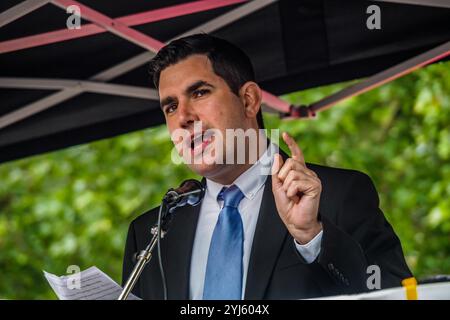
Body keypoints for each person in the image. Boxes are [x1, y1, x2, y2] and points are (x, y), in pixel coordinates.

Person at [122, 34, 412, 300]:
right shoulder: (150, 231)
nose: (183, 116)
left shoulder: (338, 194)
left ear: (249, 100)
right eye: (170, 107)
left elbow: (398, 296)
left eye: (199, 92)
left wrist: (312, 236)